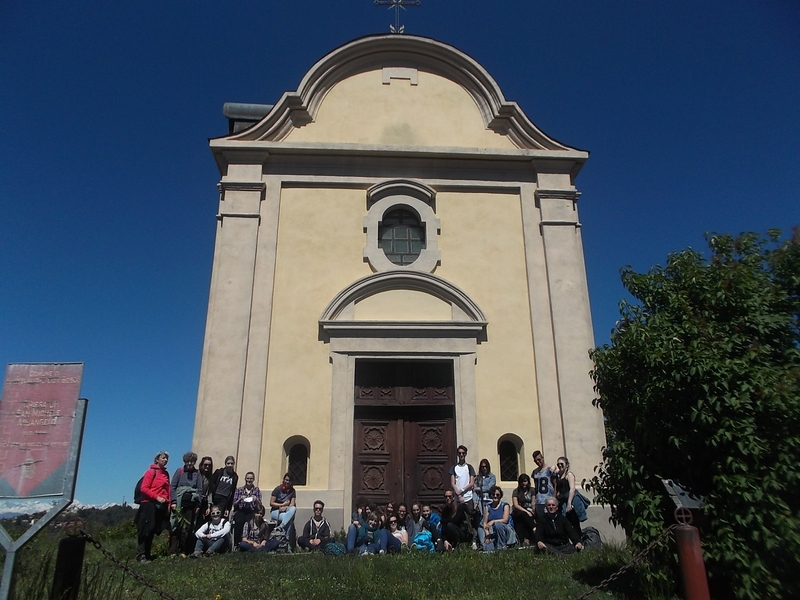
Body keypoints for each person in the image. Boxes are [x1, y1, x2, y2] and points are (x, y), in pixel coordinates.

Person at [135, 451, 171, 563]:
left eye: (166, 458)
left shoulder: (166, 474)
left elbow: (168, 489)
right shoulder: (150, 472)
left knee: (152, 529)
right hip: (148, 504)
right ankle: (140, 555)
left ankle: (147, 554)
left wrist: (169, 504)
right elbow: (144, 488)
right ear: (157, 460)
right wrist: (157, 497)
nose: (165, 460)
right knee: (145, 529)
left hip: (161, 505)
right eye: (163, 458)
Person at [168, 451, 203, 556]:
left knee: (187, 528)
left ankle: (183, 550)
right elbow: (173, 486)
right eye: (188, 461)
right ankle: (172, 551)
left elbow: (200, 490)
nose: (190, 463)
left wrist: (198, 505)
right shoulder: (179, 471)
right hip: (178, 503)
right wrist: (173, 501)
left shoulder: (197, 474)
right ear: (185, 461)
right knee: (175, 526)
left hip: (191, 505)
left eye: (192, 462)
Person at [480, 485, 515, 551]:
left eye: (497, 494)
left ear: (500, 495)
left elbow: (505, 520)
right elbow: (485, 523)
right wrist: (487, 536)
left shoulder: (505, 505)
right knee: (487, 548)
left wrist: (493, 521)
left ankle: (501, 546)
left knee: (498, 525)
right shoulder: (488, 507)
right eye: (493, 494)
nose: (495, 496)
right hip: (492, 531)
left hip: (504, 529)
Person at [553, 456, 583, 535]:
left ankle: (579, 541)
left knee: (574, 523)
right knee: (565, 523)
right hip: (563, 502)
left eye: (561, 464)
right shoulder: (559, 475)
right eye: (558, 464)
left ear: (566, 465)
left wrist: (569, 503)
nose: (559, 465)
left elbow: (572, 489)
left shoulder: (569, 474)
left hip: (571, 501)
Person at [232, 471, 262, 546]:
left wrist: (256, 499)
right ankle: (237, 543)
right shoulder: (239, 490)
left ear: (254, 479)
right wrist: (240, 499)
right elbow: (234, 504)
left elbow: (260, 505)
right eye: (248, 478)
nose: (249, 480)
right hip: (240, 510)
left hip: (251, 511)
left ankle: (248, 542)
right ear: (245, 479)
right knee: (239, 520)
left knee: (250, 521)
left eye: (251, 478)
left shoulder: (256, 490)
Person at [269, 473, 297, 546]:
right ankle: (287, 543)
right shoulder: (277, 489)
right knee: (289, 520)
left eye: (289, 481)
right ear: (283, 480)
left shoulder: (293, 491)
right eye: (286, 480)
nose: (287, 482)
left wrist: (286, 507)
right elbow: (271, 503)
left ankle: (281, 526)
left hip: (286, 511)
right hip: (275, 512)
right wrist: (282, 505)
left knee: (293, 508)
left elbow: (292, 504)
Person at [511, 473, 537, 546]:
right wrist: (526, 511)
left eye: (525, 481)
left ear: (528, 482)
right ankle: (534, 528)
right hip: (519, 511)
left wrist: (533, 512)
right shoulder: (516, 491)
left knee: (523, 522)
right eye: (522, 481)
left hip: (529, 510)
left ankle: (526, 540)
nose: (523, 483)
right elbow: (516, 505)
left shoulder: (532, 490)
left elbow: (533, 502)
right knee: (523, 515)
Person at [531, 450, 556, 524]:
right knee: (541, 522)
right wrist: (534, 501)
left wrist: (553, 499)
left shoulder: (550, 470)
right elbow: (536, 487)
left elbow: (555, 485)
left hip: (548, 499)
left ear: (542, 458)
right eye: (536, 461)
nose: (538, 462)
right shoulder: (535, 472)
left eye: (539, 459)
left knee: (549, 521)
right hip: (539, 500)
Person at [473, 458, 496, 524]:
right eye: (483, 467)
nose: (484, 468)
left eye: (486, 466)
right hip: (479, 499)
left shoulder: (492, 477)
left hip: (488, 499)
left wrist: (478, 488)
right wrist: (475, 502)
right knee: (480, 518)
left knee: (488, 517)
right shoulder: (477, 478)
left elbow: (489, 488)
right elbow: (474, 490)